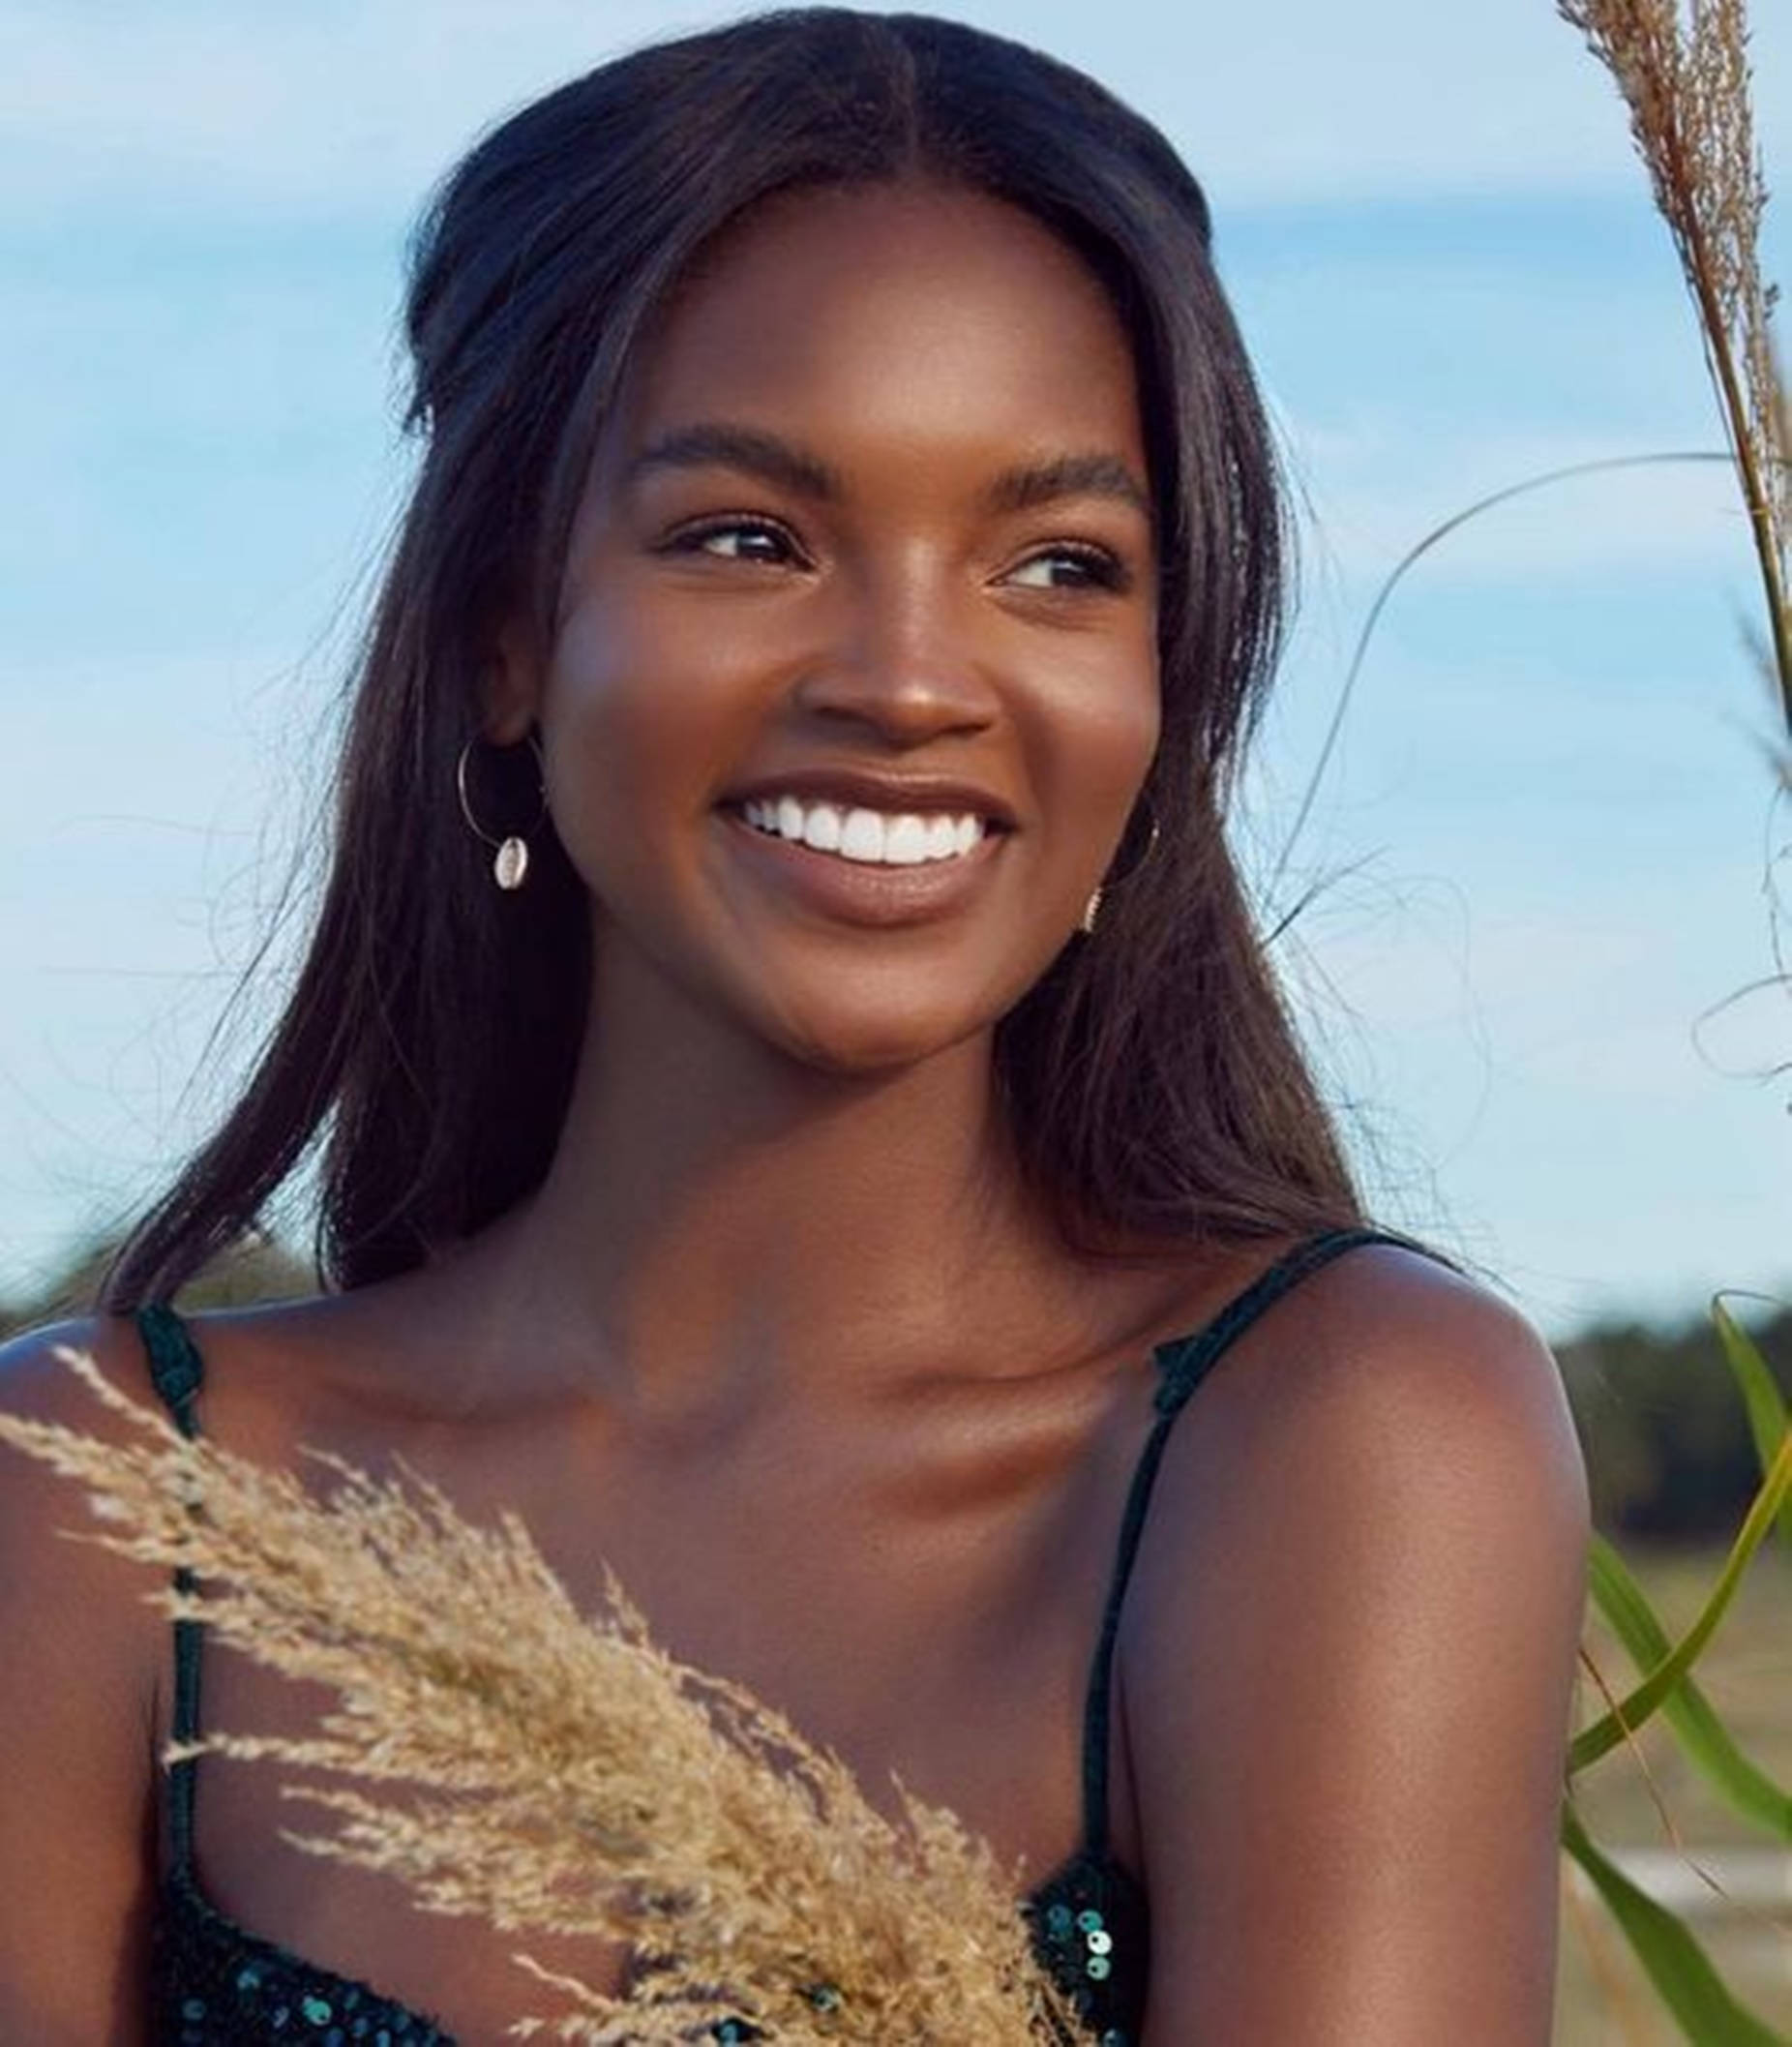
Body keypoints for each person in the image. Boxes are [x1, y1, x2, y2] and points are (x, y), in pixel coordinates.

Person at [0, 11, 1590, 2043]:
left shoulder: (1332, 1438)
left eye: (1057, 563)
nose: (913, 677)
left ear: (1160, 687)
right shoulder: (115, 1500)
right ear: (504, 634)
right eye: (748, 536)